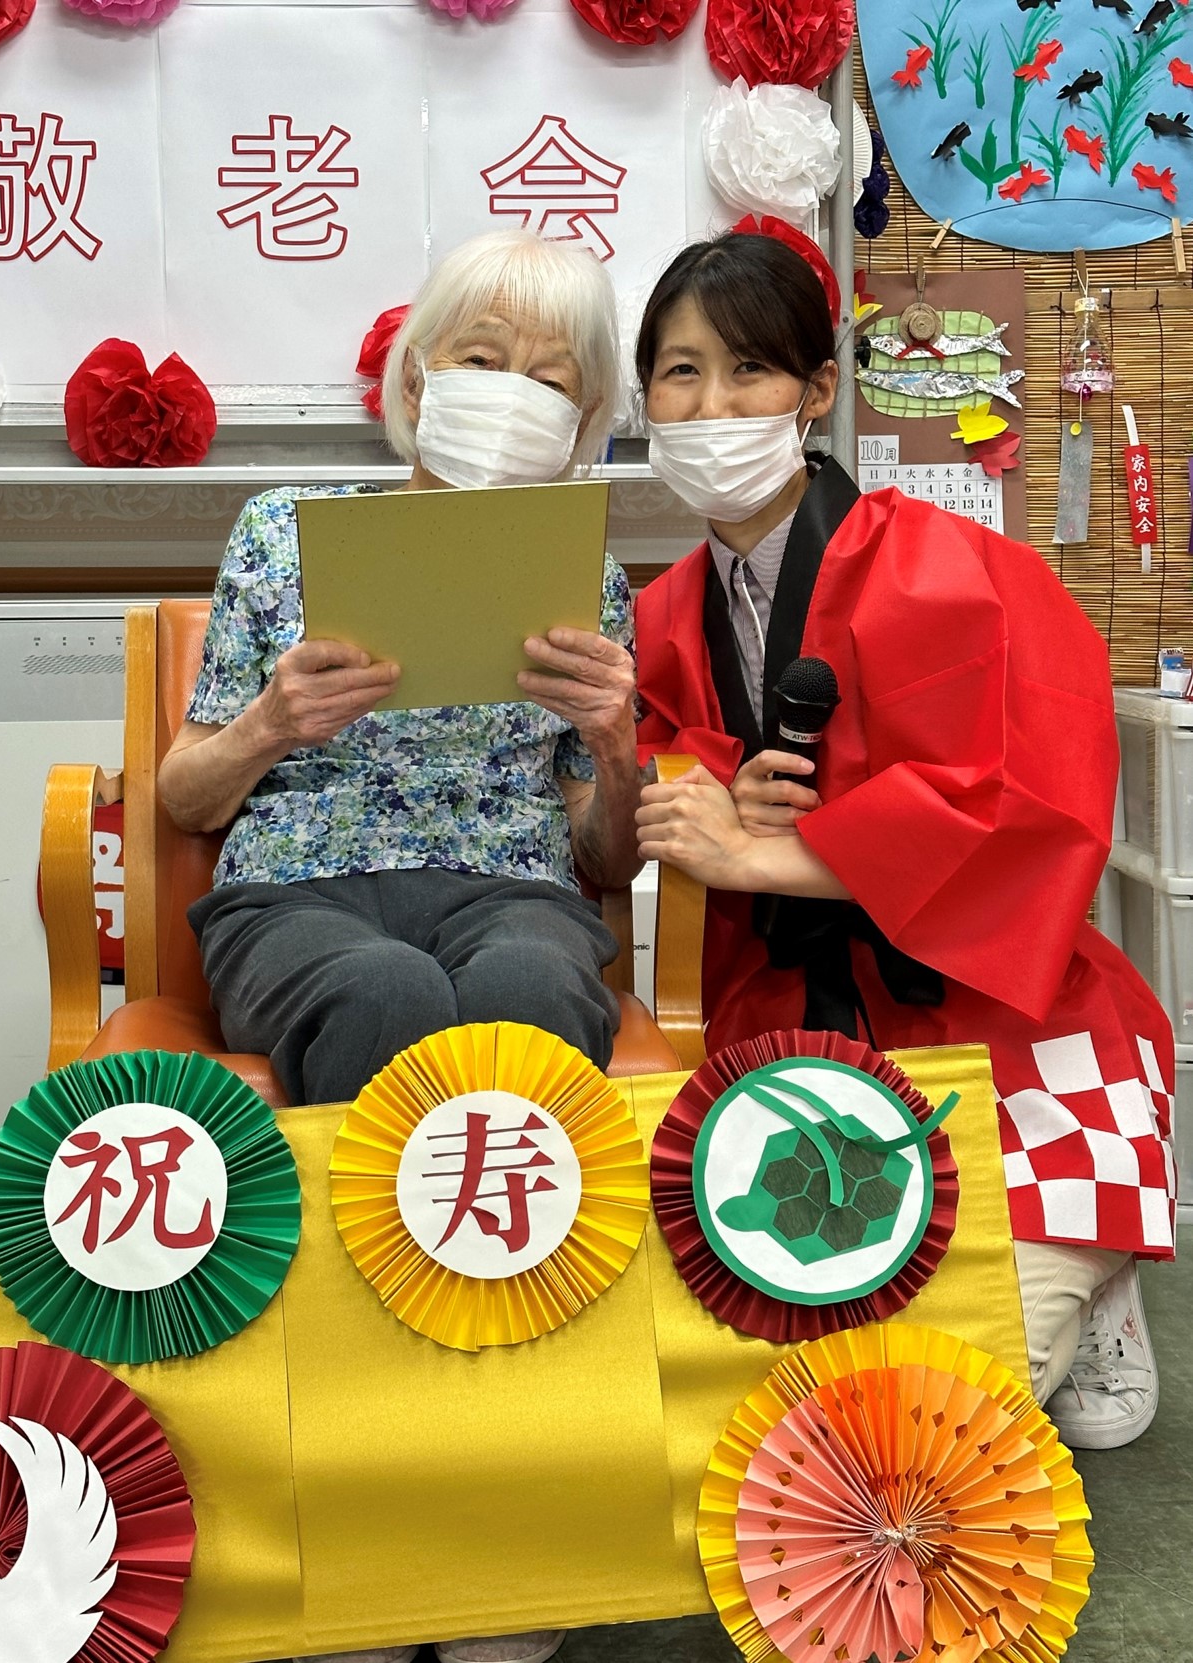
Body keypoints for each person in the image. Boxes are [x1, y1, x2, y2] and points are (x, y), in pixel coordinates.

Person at [159, 229, 641, 1663]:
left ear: (585, 416)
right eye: (482, 359)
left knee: (528, 983)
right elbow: (183, 797)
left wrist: (618, 744)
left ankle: (503, 1507)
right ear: (417, 377)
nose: (508, 393)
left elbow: (602, 858)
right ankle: (370, 1498)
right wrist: (269, 724)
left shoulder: (588, 578)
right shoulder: (285, 531)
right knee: (386, 991)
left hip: (509, 886)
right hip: (297, 892)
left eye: (548, 377)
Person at [631, 226, 1176, 1453]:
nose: (710, 406)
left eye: (748, 370)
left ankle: (1096, 1266)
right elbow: (665, 786)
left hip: (998, 1016)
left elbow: (1031, 792)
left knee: (953, 1406)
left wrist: (765, 852)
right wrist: (670, 783)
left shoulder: (946, 566)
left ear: (818, 389)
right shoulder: (662, 615)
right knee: (781, 1371)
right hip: (791, 1018)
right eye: (678, 373)